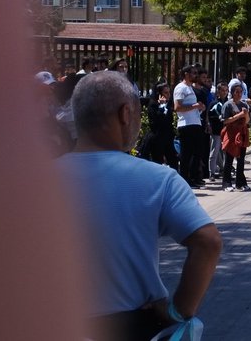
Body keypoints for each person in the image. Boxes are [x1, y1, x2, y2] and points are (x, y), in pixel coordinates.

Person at [59, 71, 221, 341]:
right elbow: (208, 242)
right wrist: (178, 311)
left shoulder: (32, 181)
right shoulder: (159, 179)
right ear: (125, 114)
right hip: (132, 324)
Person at [173, 65, 207, 188]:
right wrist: (194, 106)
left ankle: (194, 177)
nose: (195, 75)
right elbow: (177, 107)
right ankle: (184, 179)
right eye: (193, 73)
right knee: (186, 154)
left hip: (196, 123)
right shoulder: (180, 88)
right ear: (186, 74)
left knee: (197, 152)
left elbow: (193, 106)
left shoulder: (190, 88)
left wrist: (200, 108)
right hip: (186, 124)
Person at [220, 84, 251, 192]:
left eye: (240, 92)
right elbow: (225, 121)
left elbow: (247, 121)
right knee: (229, 159)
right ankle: (226, 183)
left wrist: (246, 115)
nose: (238, 94)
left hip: (242, 133)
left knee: (241, 159)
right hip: (231, 133)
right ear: (232, 92)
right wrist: (239, 115)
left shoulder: (244, 105)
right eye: (236, 92)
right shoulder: (228, 105)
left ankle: (240, 182)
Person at [141, 83, 179, 169]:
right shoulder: (153, 104)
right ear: (159, 94)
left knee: (173, 160)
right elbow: (155, 121)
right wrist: (161, 107)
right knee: (157, 161)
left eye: (169, 92)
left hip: (167, 137)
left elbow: (169, 120)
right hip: (157, 137)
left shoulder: (168, 105)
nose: (168, 95)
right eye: (166, 93)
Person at [206, 82, 228, 183]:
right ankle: (212, 172)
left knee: (225, 152)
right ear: (218, 91)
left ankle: (225, 169)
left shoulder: (229, 103)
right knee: (214, 151)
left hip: (227, 131)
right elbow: (209, 116)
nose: (224, 92)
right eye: (222, 90)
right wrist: (210, 125)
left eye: (226, 90)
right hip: (216, 130)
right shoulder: (214, 103)